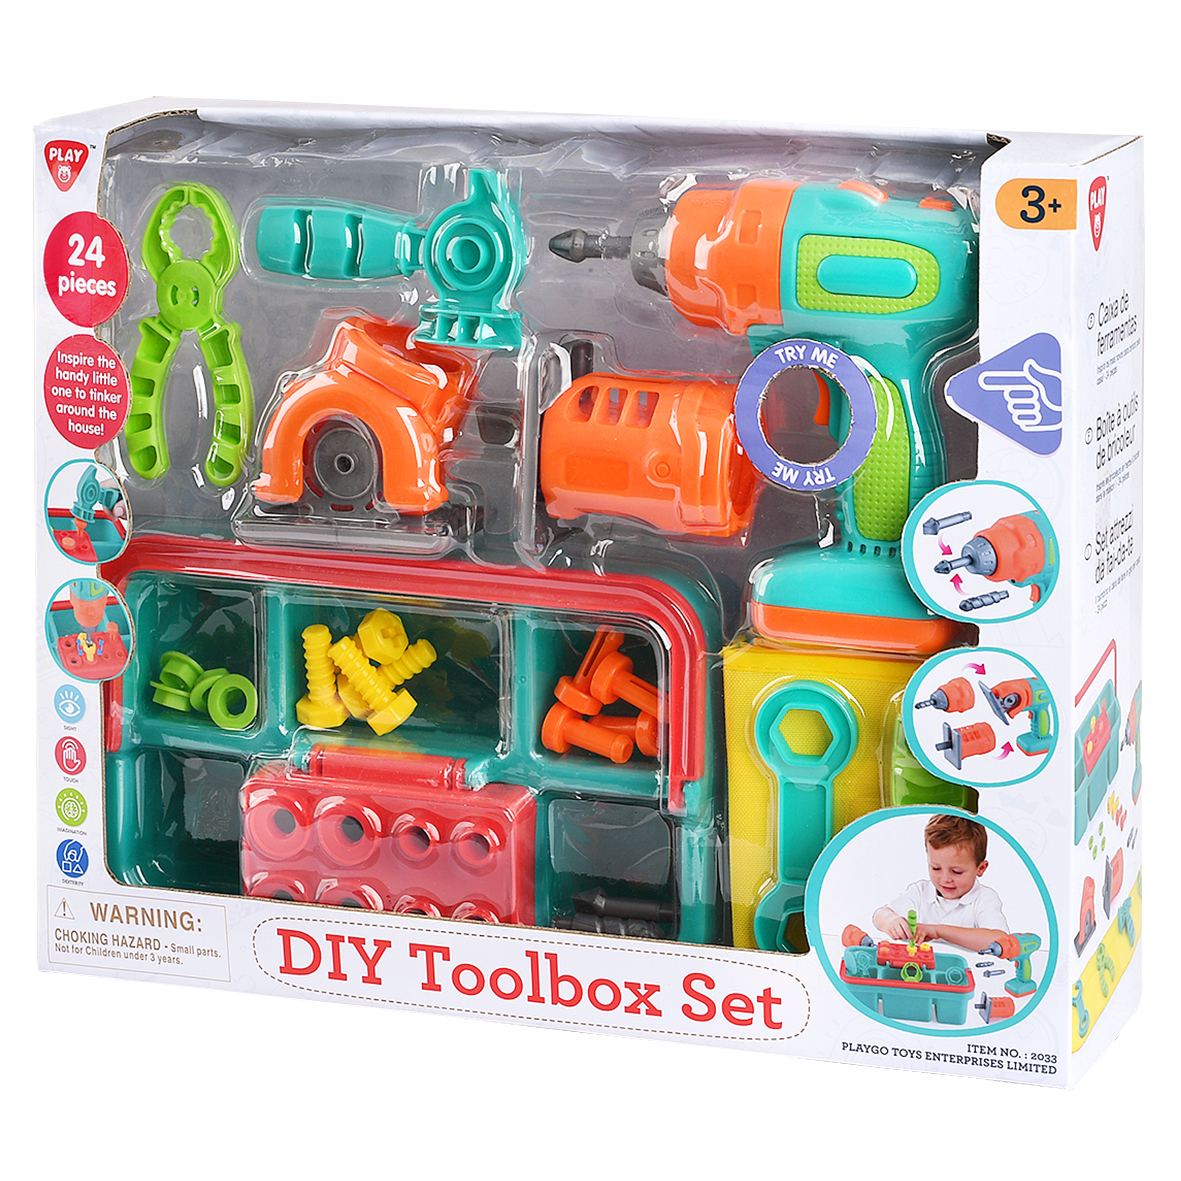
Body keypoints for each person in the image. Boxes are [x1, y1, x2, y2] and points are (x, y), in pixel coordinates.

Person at [872, 814, 1008, 953]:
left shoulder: (984, 898)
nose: (945, 879)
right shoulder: (920, 892)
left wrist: (938, 931)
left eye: (956, 871)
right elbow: (880, 915)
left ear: (981, 868)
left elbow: (1000, 941)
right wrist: (891, 920)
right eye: (936, 868)